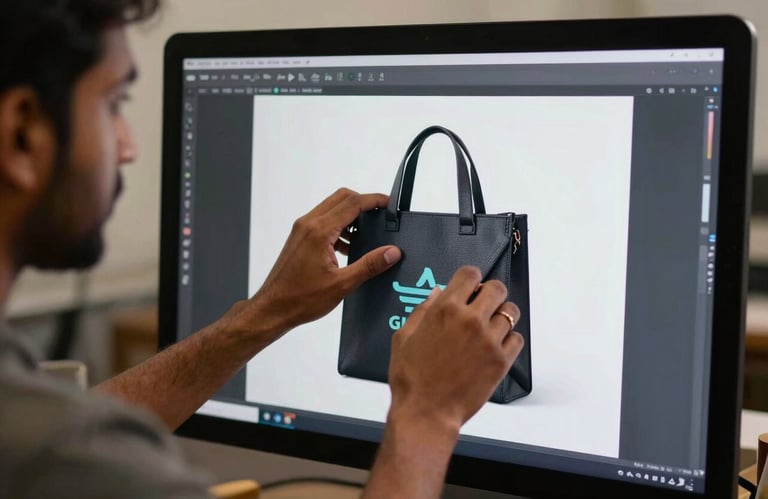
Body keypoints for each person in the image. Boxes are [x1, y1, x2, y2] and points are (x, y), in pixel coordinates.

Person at [0, 1, 525, 498]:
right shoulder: (58, 455)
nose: (129, 145)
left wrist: (265, 313)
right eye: (113, 103)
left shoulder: (31, 418)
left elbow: (73, 429)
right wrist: (428, 416)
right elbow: (65, 446)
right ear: (23, 132)